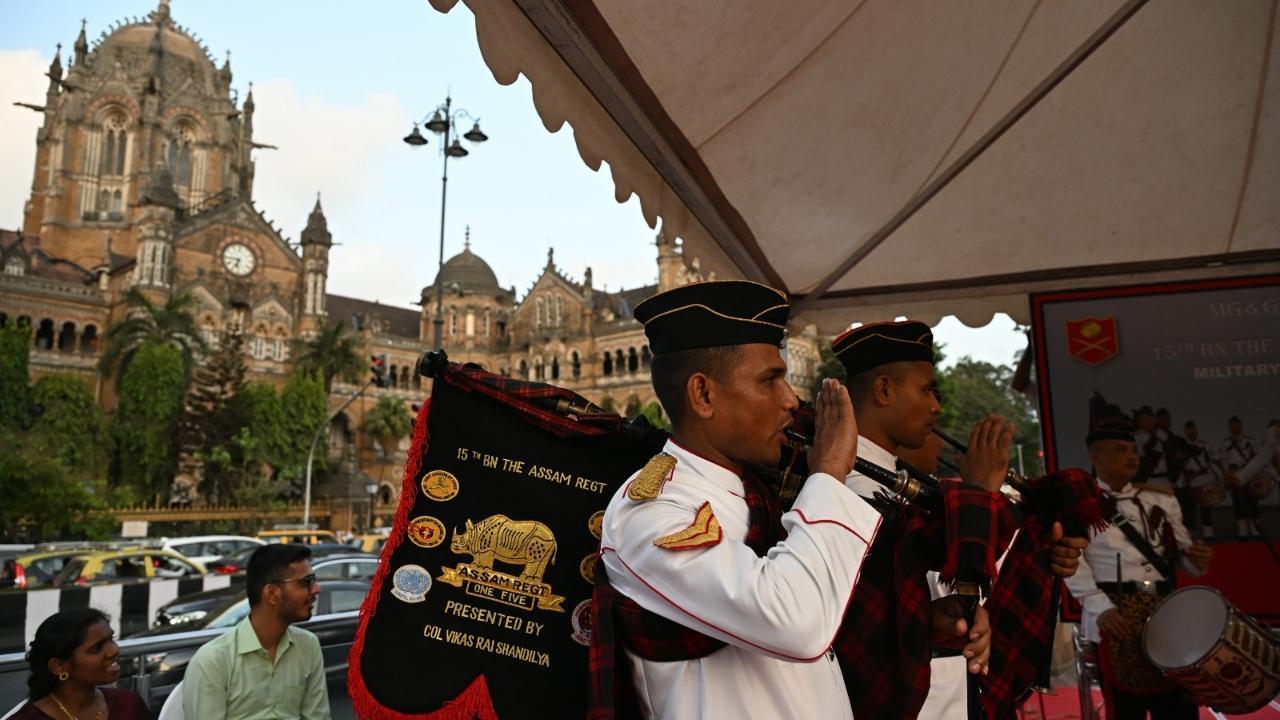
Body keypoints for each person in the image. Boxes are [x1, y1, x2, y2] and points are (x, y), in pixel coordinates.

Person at [594, 280, 878, 720]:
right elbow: (797, 622)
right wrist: (828, 476)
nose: (791, 400)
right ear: (704, 395)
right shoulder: (651, 514)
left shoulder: (756, 492)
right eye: (770, 380)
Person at [833, 321, 1081, 719]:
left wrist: (1038, 550)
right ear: (883, 390)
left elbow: (952, 592)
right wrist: (980, 492)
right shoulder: (848, 484)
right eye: (928, 390)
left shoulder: (902, 480)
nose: (936, 407)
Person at [1064, 421, 1212, 720]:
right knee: (1126, 707)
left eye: (1134, 450)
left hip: (1164, 610)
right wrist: (1099, 608)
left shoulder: (1161, 499)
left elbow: (1183, 559)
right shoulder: (1079, 503)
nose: (1132, 457)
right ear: (1095, 457)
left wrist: (1198, 560)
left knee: (1178, 704)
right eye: (1120, 451)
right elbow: (1072, 563)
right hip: (1114, 613)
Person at [183, 544, 329, 720]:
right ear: (272, 593)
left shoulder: (308, 645)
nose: (316, 589)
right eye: (306, 582)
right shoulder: (213, 661)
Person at [16, 609, 149, 720]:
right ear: (59, 666)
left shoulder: (128, 704)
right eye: (96, 648)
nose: (114, 650)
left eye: (111, 639)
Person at [1221, 416, 1269, 538]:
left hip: (1248, 473)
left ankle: (1255, 530)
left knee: (1252, 500)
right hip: (1234, 474)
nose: (1234, 427)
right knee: (1238, 502)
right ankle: (1242, 531)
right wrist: (1226, 475)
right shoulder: (1225, 443)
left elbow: (1258, 458)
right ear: (1229, 427)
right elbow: (1223, 461)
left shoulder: (1250, 440)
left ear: (1241, 426)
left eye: (1237, 424)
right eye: (1232, 425)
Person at [1179, 420, 1223, 539]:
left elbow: (1215, 460)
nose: (1191, 432)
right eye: (1188, 429)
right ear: (1185, 431)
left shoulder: (1205, 445)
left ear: (1197, 430)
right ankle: (1190, 535)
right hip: (1190, 479)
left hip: (1204, 478)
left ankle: (1209, 534)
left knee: (1206, 507)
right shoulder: (1182, 446)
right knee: (1190, 509)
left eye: (1193, 429)